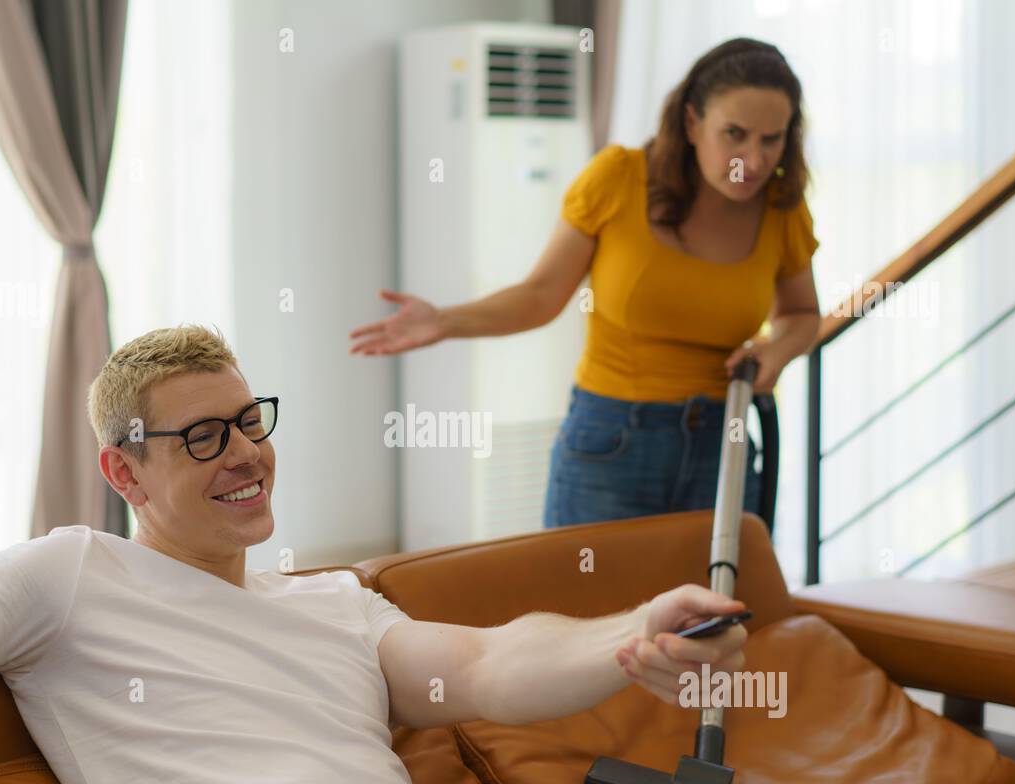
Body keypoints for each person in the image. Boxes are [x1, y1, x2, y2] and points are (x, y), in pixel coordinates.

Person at [0, 324, 755, 784]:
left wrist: (632, 635)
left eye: (251, 421)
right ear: (123, 475)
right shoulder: (71, 577)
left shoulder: (339, 602)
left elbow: (487, 661)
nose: (248, 453)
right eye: (204, 437)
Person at [349, 38, 822, 529]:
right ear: (691, 124)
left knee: (713, 606)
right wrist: (445, 321)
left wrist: (777, 349)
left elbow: (801, 315)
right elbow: (539, 296)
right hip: (612, 442)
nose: (756, 158)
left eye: (773, 139)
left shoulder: (781, 210)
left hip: (723, 443)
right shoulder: (617, 178)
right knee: (588, 603)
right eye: (735, 134)